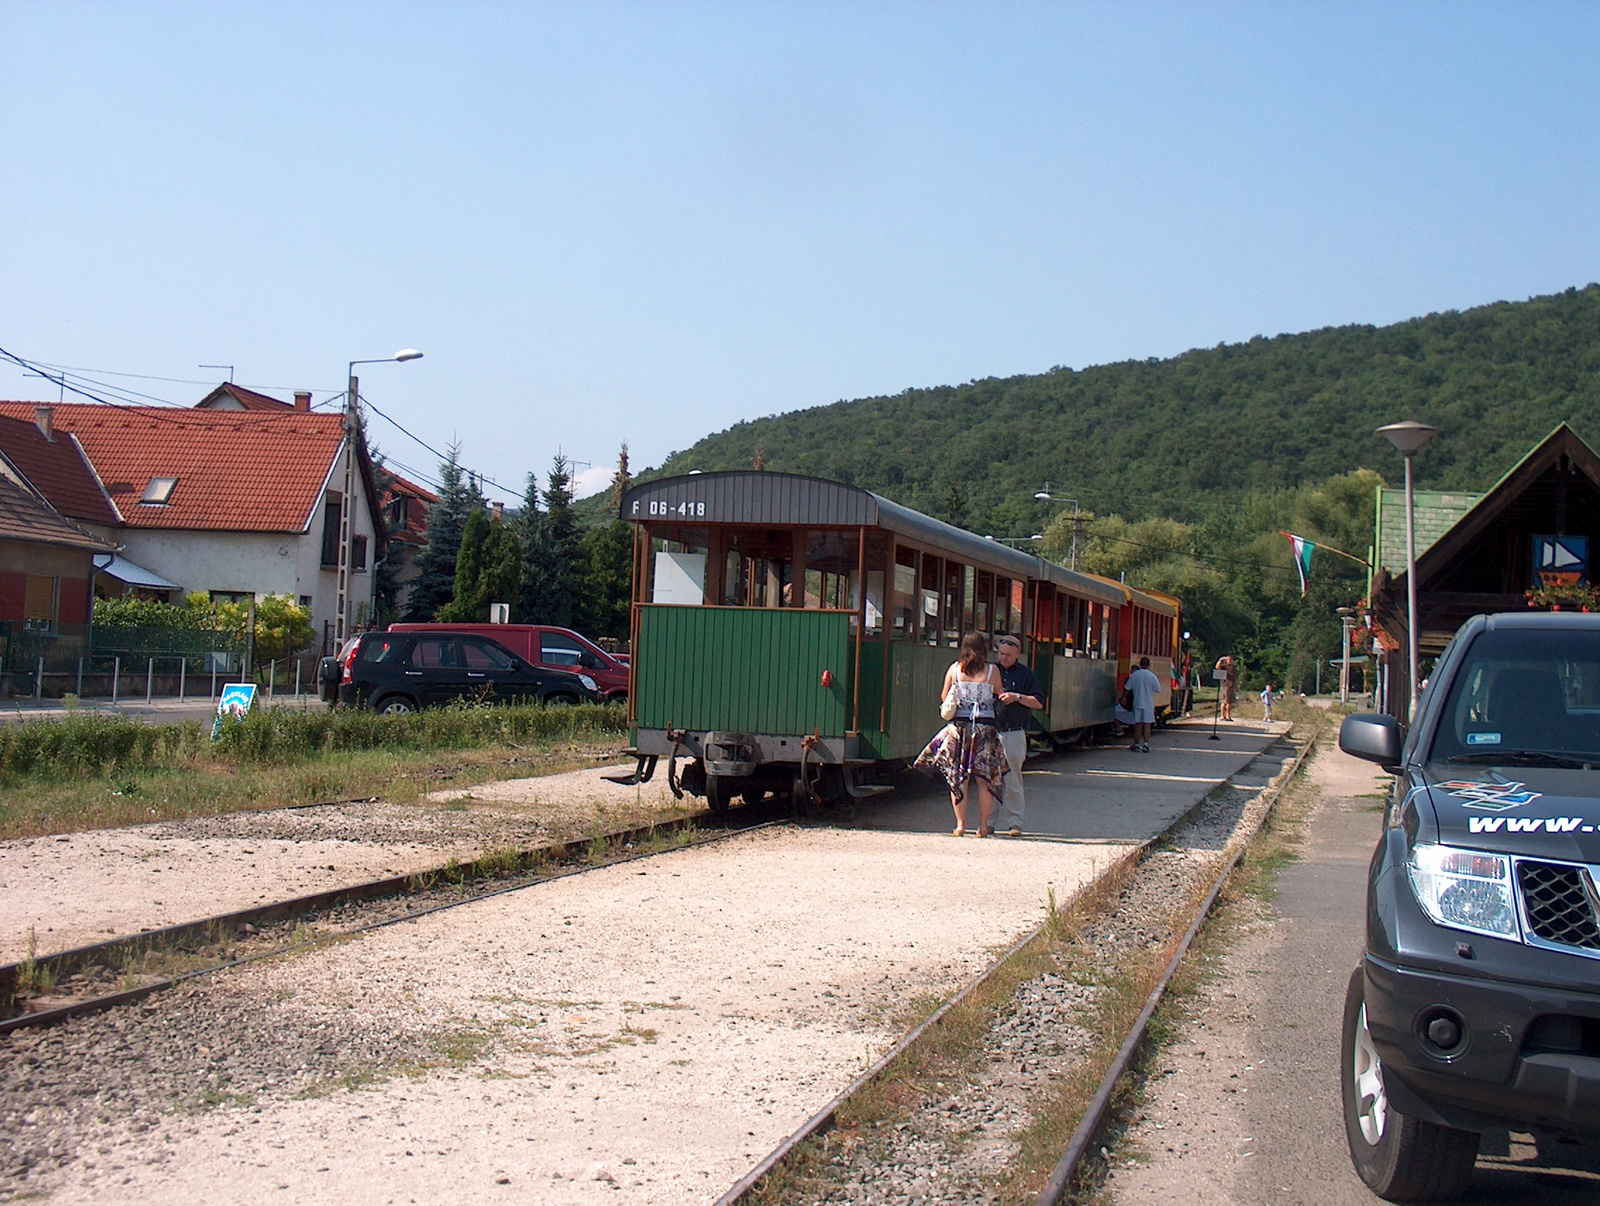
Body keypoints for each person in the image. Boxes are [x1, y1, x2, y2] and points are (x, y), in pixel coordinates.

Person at [913, 631, 1009, 837]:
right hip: (985, 729)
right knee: (984, 780)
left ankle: (960, 825)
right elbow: (998, 692)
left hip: (959, 728)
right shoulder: (992, 670)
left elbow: (944, 695)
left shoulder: (955, 670)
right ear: (983, 647)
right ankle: (983, 826)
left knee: (959, 778)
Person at [995, 634, 1044, 837]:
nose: (1003, 658)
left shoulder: (1026, 675)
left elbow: (1039, 702)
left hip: (1014, 732)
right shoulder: (992, 670)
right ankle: (986, 823)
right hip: (992, 731)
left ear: (1016, 654)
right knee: (990, 780)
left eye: (1007, 654)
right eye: (1001, 653)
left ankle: (1015, 823)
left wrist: (1017, 697)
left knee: (1013, 779)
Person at [1124, 656, 1162, 753]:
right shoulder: (1152, 676)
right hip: (1148, 704)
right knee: (1147, 725)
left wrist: (1123, 697)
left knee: (1138, 725)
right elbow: (1158, 689)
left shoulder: (1135, 675)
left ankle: (1136, 745)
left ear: (1140, 664)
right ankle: (1145, 745)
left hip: (1137, 703)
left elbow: (1127, 688)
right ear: (1149, 665)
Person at [1217, 654, 1238, 722]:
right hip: (1226, 685)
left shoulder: (1234, 667)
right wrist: (1221, 659)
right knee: (1224, 701)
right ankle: (1222, 716)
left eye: (1231, 659)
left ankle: (1228, 716)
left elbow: (1235, 677)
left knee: (1230, 702)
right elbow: (1217, 667)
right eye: (1228, 659)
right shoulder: (1224, 667)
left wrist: (1236, 685)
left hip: (1232, 685)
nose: (1230, 661)